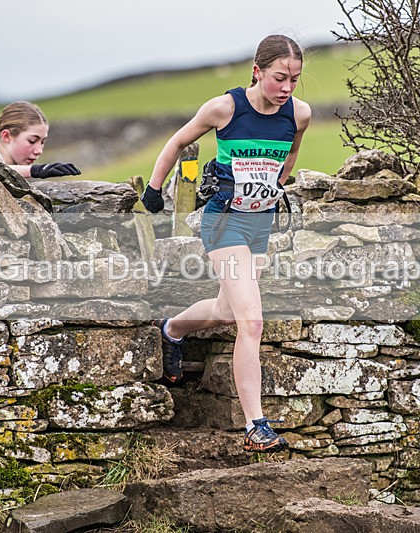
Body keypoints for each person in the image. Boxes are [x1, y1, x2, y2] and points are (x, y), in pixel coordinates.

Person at [141, 34, 312, 453]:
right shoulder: (225, 107)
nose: (287, 88)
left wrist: (273, 186)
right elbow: (178, 142)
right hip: (224, 223)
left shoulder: (300, 114)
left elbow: (289, 158)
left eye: (294, 79)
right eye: (278, 78)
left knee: (225, 310)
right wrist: (154, 188)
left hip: (260, 223)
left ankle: (172, 329)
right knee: (252, 321)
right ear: (257, 72)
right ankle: (256, 426)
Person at [0, 101, 81, 179]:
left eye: (42, 142)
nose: (39, 150)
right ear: (6, 136)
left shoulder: (17, 169)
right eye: (32, 141)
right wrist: (37, 170)